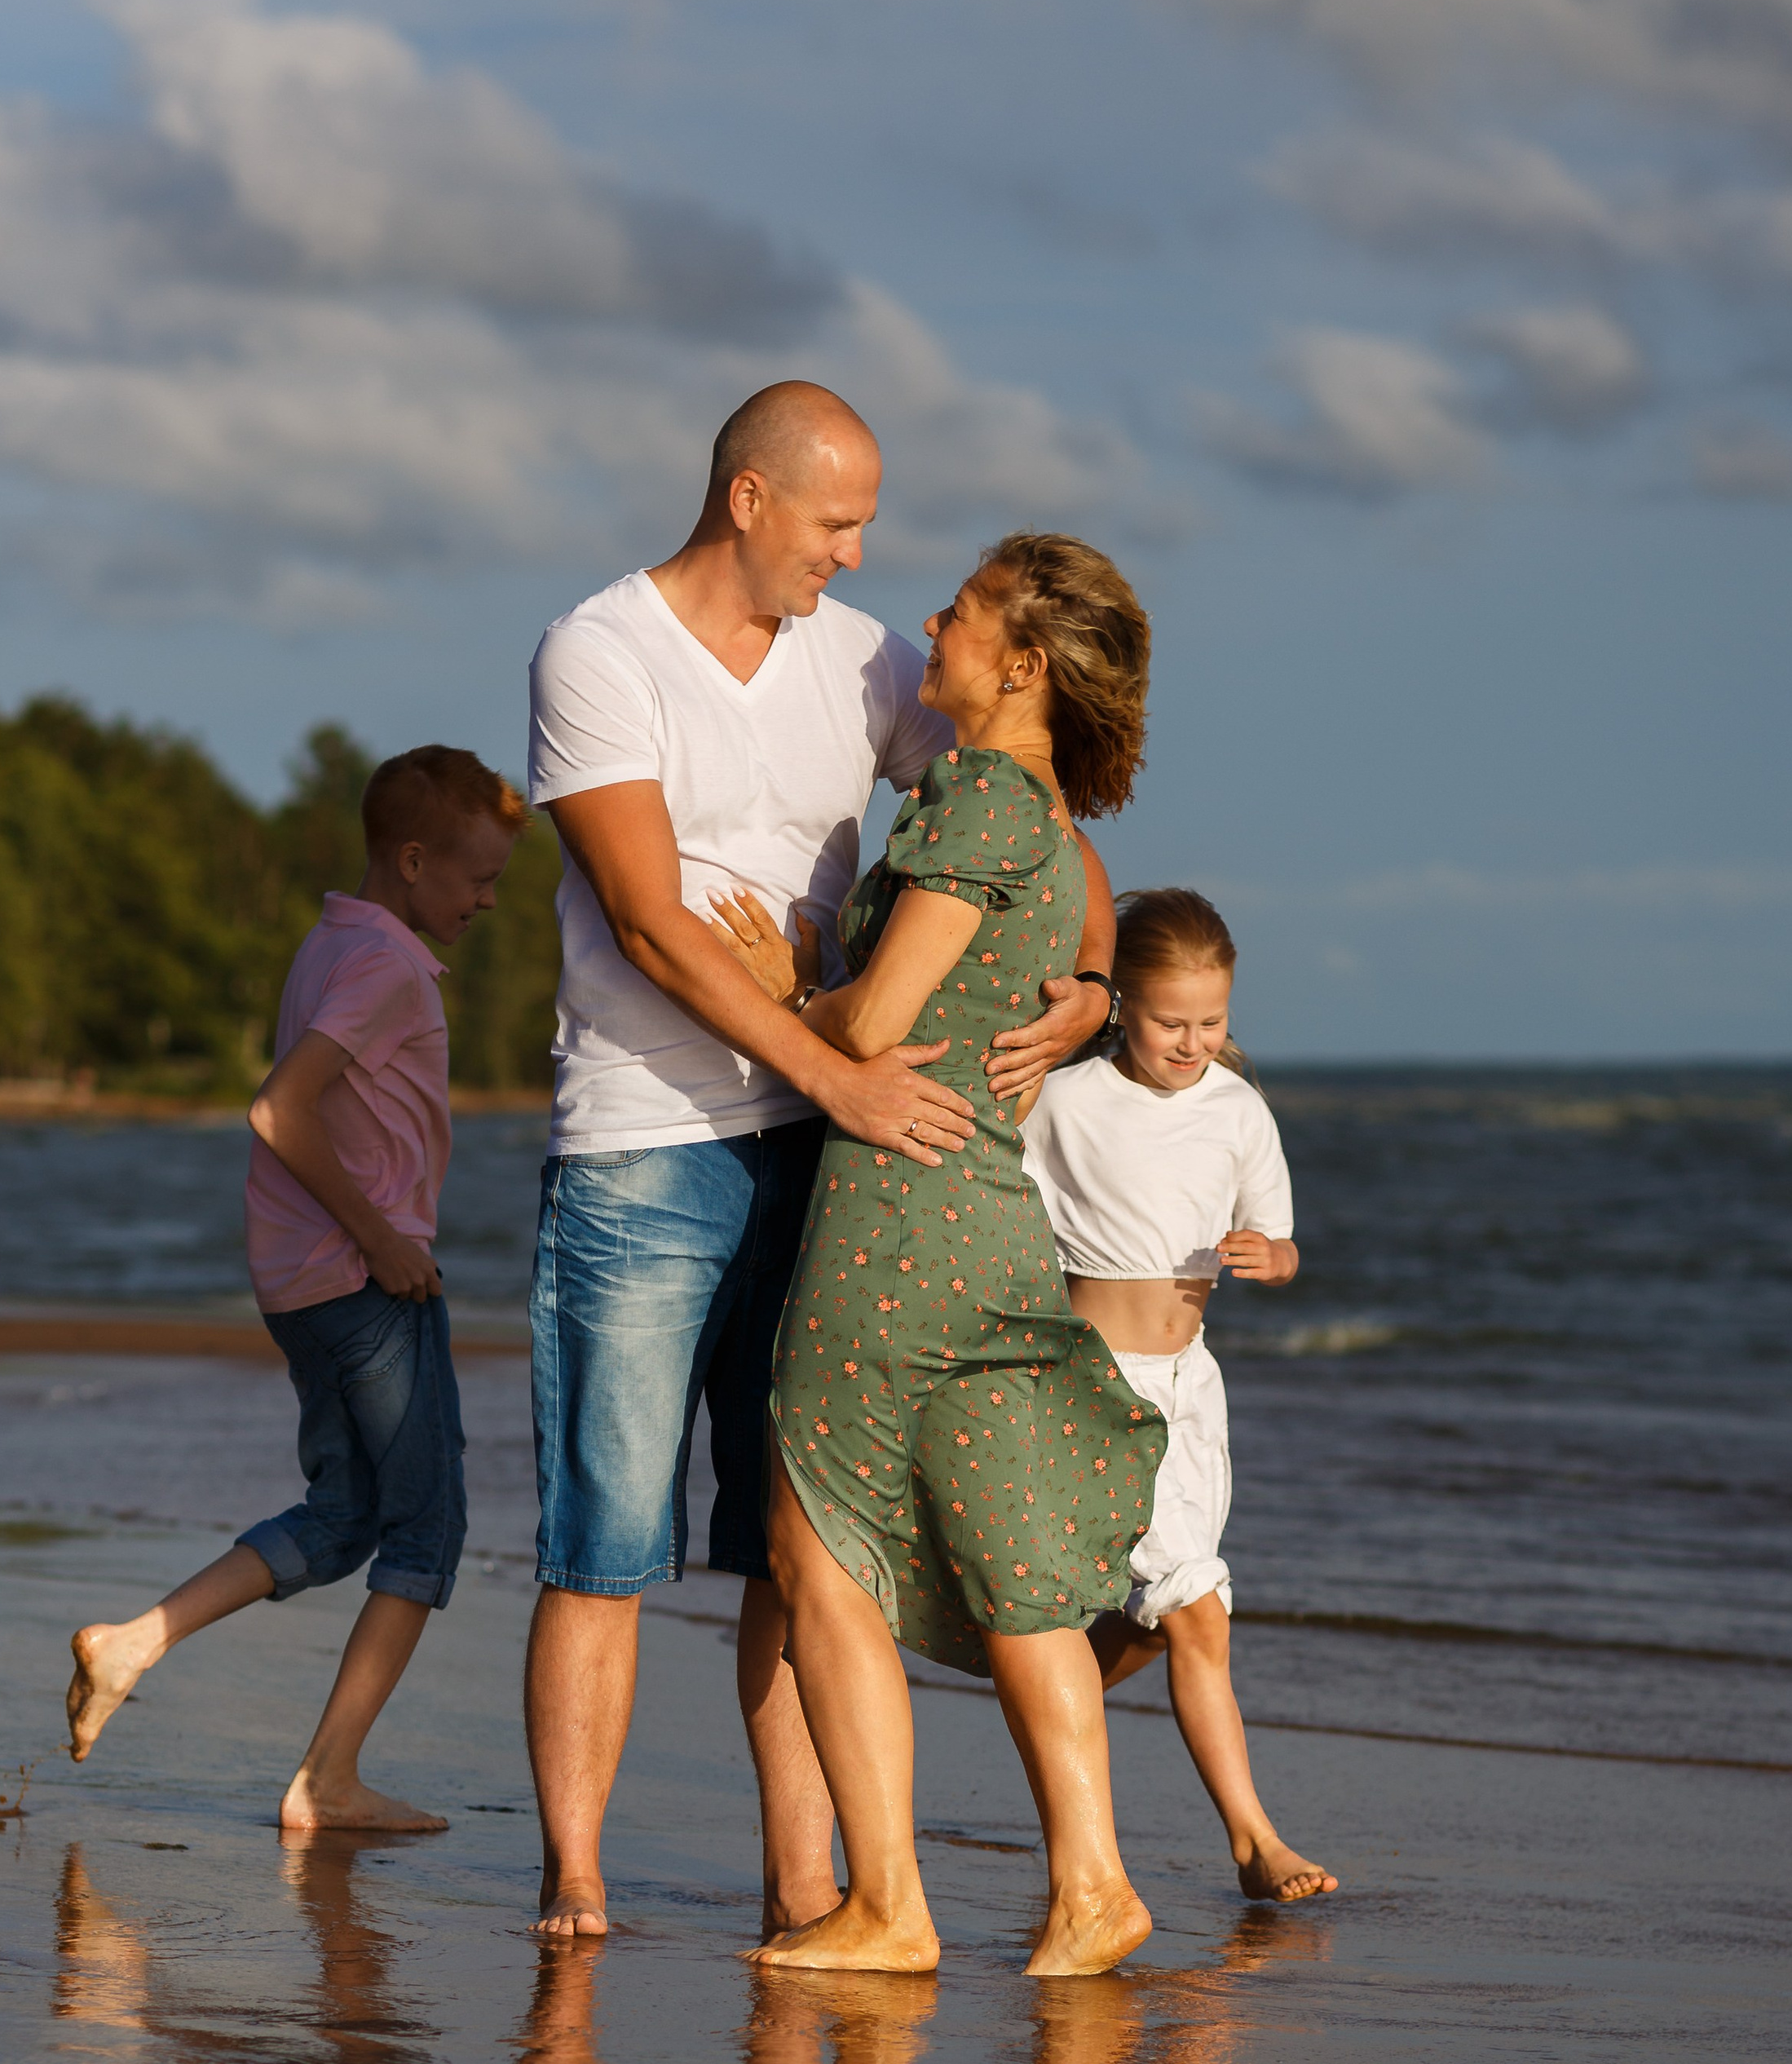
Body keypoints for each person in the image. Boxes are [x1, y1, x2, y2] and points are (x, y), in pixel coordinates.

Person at [522, 382, 1117, 1942]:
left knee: (801, 1541)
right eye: (838, 523)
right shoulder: (598, 652)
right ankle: (575, 1884)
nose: (858, 558)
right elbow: (649, 920)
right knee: (606, 1537)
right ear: (749, 501)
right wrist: (834, 1067)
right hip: (648, 1146)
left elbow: (1024, 798)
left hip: (827, 1165)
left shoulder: (861, 663)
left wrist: (1094, 991)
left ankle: (810, 1884)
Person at [717, 533, 1163, 1980]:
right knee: (1013, 1557)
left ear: (1023, 664)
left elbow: (865, 1026)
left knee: (814, 1538)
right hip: (980, 1209)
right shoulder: (1030, 808)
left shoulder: (975, 790)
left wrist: (777, 976)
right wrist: (1092, 989)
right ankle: (1091, 1886)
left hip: (894, 1211)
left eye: (961, 613)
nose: (932, 621)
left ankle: (891, 1903)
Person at [64, 745, 523, 1831]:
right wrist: (385, 1241)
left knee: (347, 1512)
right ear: (413, 862)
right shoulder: (385, 965)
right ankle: (328, 1780)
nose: (491, 899)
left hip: (305, 1282)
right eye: (479, 877)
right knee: (426, 1530)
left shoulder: (335, 943)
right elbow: (281, 1110)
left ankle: (133, 1644)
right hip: (365, 1281)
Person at [1020, 888, 1337, 1903]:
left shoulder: (1238, 1110)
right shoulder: (1066, 1101)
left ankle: (1039, 1680)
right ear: (1123, 1009)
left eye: (1212, 1023)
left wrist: (1269, 1256)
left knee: (1164, 1620)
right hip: (1086, 1385)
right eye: (1171, 1023)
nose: (1193, 1042)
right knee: (1197, 1616)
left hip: (1188, 1394)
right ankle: (1252, 1841)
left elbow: (1283, 1244)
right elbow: (993, 1197)